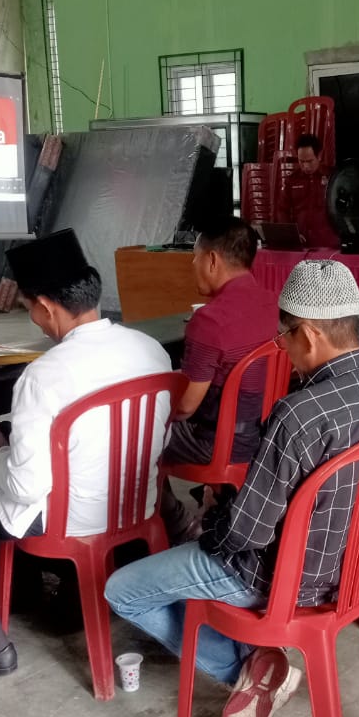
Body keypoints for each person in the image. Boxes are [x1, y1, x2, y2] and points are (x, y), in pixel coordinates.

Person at [105, 260, 359, 717]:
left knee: (123, 590)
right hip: (351, 573)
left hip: (280, 582)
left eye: (284, 337)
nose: (284, 349)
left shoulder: (298, 413)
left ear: (308, 335)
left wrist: (210, 524)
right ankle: (257, 661)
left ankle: (246, 667)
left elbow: (245, 534)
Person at [0, 228, 172, 675]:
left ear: (46, 307)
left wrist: (1, 448)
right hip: (133, 504)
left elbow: (26, 488)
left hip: (68, 517)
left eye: (29, 308)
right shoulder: (151, 350)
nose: (34, 319)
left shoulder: (43, 374)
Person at [159, 217, 280, 541]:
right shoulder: (274, 305)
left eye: (195, 257)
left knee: (136, 436)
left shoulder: (210, 320)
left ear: (212, 260)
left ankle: (177, 524)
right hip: (262, 435)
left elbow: (185, 406)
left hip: (218, 445)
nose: (193, 265)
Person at [281, 133, 339, 251]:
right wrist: (291, 235)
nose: (306, 166)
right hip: (302, 246)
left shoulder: (333, 177)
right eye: (301, 161)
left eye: (310, 161)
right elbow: (282, 211)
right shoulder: (291, 180)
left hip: (329, 246)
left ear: (319, 156)